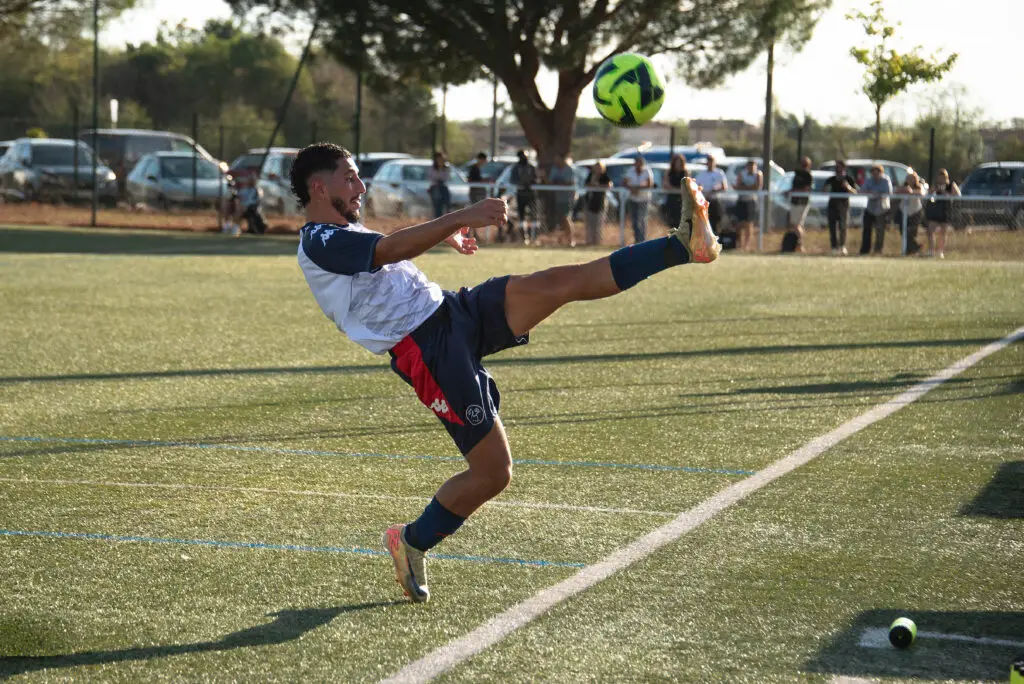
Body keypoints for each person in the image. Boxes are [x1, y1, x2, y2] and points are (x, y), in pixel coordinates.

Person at [290, 142, 721, 603]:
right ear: (319, 187)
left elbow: (385, 245)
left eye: (357, 176)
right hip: (428, 351)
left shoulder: (344, 230)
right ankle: (412, 540)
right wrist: (459, 218)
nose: (360, 186)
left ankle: (682, 245)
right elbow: (386, 248)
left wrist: (444, 234)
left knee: (559, 282)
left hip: (451, 311)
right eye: (349, 177)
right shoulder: (317, 240)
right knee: (494, 472)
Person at [821, 160, 857, 255]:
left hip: (843, 205)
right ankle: (834, 247)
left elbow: (855, 192)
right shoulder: (831, 179)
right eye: (836, 167)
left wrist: (848, 187)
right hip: (832, 205)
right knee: (832, 227)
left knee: (843, 227)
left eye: (839, 166)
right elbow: (823, 190)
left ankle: (842, 246)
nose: (837, 168)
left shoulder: (849, 178)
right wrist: (826, 188)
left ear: (843, 168)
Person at [925, 168, 960, 258]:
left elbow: (958, 195)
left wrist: (945, 193)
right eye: (940, 177)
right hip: (936, 209)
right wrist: (933, 190)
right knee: (930, 229)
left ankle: (940, 251)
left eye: (943, 177)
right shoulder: (935, 185)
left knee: (943, 232)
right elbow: (928, 194)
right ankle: (931, 250)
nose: (941, 179)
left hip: (946, 210)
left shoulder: (951, 185)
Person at [860, 164, 893, 254]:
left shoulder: (886, 180)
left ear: (880, 173)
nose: (875, 175)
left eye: (876, 173)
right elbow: (862, 190)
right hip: (870, 208)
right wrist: (873, 192)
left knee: (880, 231)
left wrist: (875, 192)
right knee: (867, 230)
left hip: (882, 209)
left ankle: (878, 250)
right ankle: (865, 250)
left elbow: (888, 192)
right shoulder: (869, 180)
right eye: (873, 173)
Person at [784, 156, 813, 253]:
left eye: (805, 164)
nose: (803, 166)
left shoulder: (808, 175)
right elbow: (794, 187)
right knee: (795, 224)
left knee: (796, 224)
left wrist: (793, 191)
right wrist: (790, 191)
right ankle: (797, 245)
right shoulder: (797, 174)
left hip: (802, 203)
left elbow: (807, 189)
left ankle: (800, 245)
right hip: (794, 202)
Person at [547, 154, 576, 246]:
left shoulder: (568, 169)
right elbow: (551, 182)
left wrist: (559, 182)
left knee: (566, 218)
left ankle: (570, 239)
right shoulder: (554, 169)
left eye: (558, 159)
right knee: (561, 219)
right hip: (558, 198)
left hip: (568, 198)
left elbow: (567, 183)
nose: (556, 161)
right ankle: (563, 239)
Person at [622, 156, 654, 243]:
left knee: (642, 220)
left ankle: (642, 240)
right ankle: (637, 240)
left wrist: (637, 188)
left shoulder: (647, 171)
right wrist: (631, 188)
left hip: (644, 199)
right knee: (635, 221)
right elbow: (624, 183)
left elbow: (649, 184)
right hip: (633, 199)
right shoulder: (630, 171)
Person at [507, 149, 536, 243]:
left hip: (531, 194)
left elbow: (536, 178)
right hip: (520, 194)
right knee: (521, 216)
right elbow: (513, 180)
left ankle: (533, 236)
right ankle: (524, 236)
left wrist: (531, 183)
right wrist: (522, 184)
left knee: (533, 215)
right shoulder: (516, 168)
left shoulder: (531, 167)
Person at [733, 159, 762, 251]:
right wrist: (748, 187)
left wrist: (744, 187)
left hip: (751, 201)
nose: (751, 168)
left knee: (749, 224)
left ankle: (746, 246)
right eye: (749, 166)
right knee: (739, 224)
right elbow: (738, 187)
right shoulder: (742, 174)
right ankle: (739, 244)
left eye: (753, 166)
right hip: (741, 200)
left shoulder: (758, 174)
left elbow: (757, 187)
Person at [583, 160, 612, 246]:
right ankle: (589, 242)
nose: (598, 169)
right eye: (596, 167)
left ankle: (598, 243)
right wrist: (593, 184)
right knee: (589, 224)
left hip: (600, 204)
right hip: (589, 203)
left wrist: (597, 185)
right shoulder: (590, 175)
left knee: (598, 225)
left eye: (599, 167)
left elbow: (609, 185)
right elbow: (586, 185)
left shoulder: (604, 177)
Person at [898, 173, 927, 255]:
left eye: (911, 178)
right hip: (903, 211)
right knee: (903, 231)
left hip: (915, 212)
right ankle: (914, 248)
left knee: (911, 231)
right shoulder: (903, 186)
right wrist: (904, 190)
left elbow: (922, 193)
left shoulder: (919, 186)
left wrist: (911, 192)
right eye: (908, 178)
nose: (909, 180)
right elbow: (896, 191)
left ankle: (912, 249)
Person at [662, 154, 687, 231]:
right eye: (676, 162)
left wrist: (678, 189)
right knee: (671, 222)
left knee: (680, 221)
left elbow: (686, 185)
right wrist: (676, 189)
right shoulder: (669, 172)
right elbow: (665, 184)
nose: (678, 164)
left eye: (680, 162)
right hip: (671, 200)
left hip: (681, 200)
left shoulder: (685, 172)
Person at [428, 151, 452, 219]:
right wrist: (438, 178)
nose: (440, 161)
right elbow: (431, 177)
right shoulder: (432, 168)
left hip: (443, 187)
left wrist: (441, 169)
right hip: (435, 188)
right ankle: (437, 219)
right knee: (437, 206)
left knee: (447, 204)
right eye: (438, 159)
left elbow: (447, 178)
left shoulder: (446, 168)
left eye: (441, 159)